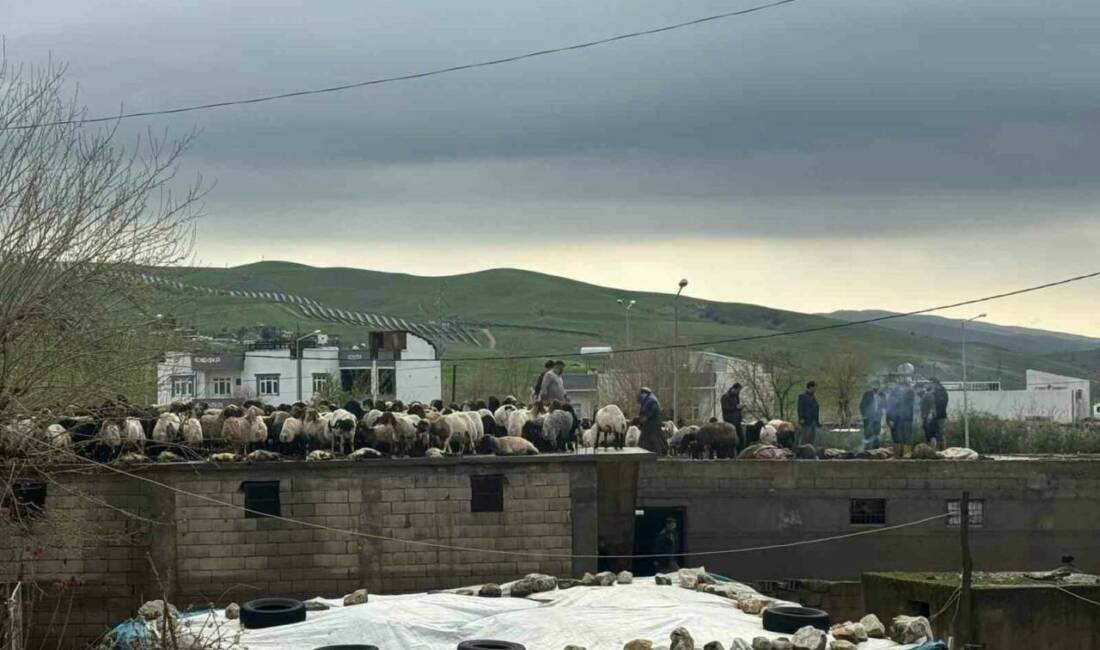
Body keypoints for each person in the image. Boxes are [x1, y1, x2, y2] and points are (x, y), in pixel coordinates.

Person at [637, 387, 668, 454]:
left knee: (652, 439)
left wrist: (646, 417)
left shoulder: (651, 400)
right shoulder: (646, 401)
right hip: (649, 424)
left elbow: (654, 410)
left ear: (645, 393)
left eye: (642, 393)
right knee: (654, 438)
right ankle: (660, 451)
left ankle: (658, 452)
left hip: (652, 424)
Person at [858, 380, 884, 451]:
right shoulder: (867, 394)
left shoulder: (882, 394)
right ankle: (867, 450)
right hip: (868, 417)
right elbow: (862, 405)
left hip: (877, 417)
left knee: (876, 433)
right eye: (874, 385)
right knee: (868, 433)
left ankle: (876, 449)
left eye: (877, 385)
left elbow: (885, 405)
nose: (876, 387)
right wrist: (864, 414)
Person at [797, 381, 820, 446]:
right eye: (815, 387)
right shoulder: (803, 396)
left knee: (812, 438)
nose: (815, 389)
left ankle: (809, 451)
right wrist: (801, 418)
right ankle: (801, 450)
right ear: (811, 387)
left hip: (813, 420)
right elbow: (800, 408)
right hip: (806, 420)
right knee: (804, 437)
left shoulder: (813, 397)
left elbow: (816, 409)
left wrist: (817, 422)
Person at [930, 377, 949, 450]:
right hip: (937, 415)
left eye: (931, 383)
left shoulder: (941, 392)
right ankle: (938, 449)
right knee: (937, 433)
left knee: (941, 433)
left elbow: (942, 403)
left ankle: (943, 449)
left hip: (940, 415)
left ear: (935, 383)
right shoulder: (936, 391)